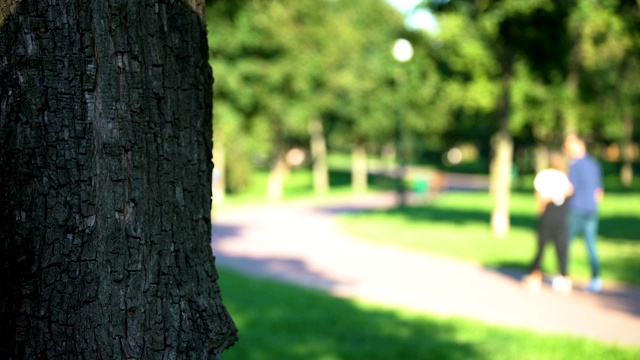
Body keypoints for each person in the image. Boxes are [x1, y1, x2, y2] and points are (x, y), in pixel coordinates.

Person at [522, 152, 574, 293]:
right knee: (560, 245)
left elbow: (540, 198)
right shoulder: (563, 177)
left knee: (542, 245)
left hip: (548, 213)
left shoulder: (544, 176)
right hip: (560, 213)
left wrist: (541, 211)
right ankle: (563, 275)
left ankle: (536, 275)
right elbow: (570, 191)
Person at [563, 133, 604, 292]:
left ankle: (563, 276)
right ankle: (596, 278)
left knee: (565, 242)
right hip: (592, 209)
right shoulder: (595, 164)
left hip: (576, 209)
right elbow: (599, 193)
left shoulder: (575, 165)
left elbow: (570, 188)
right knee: (591, 245)